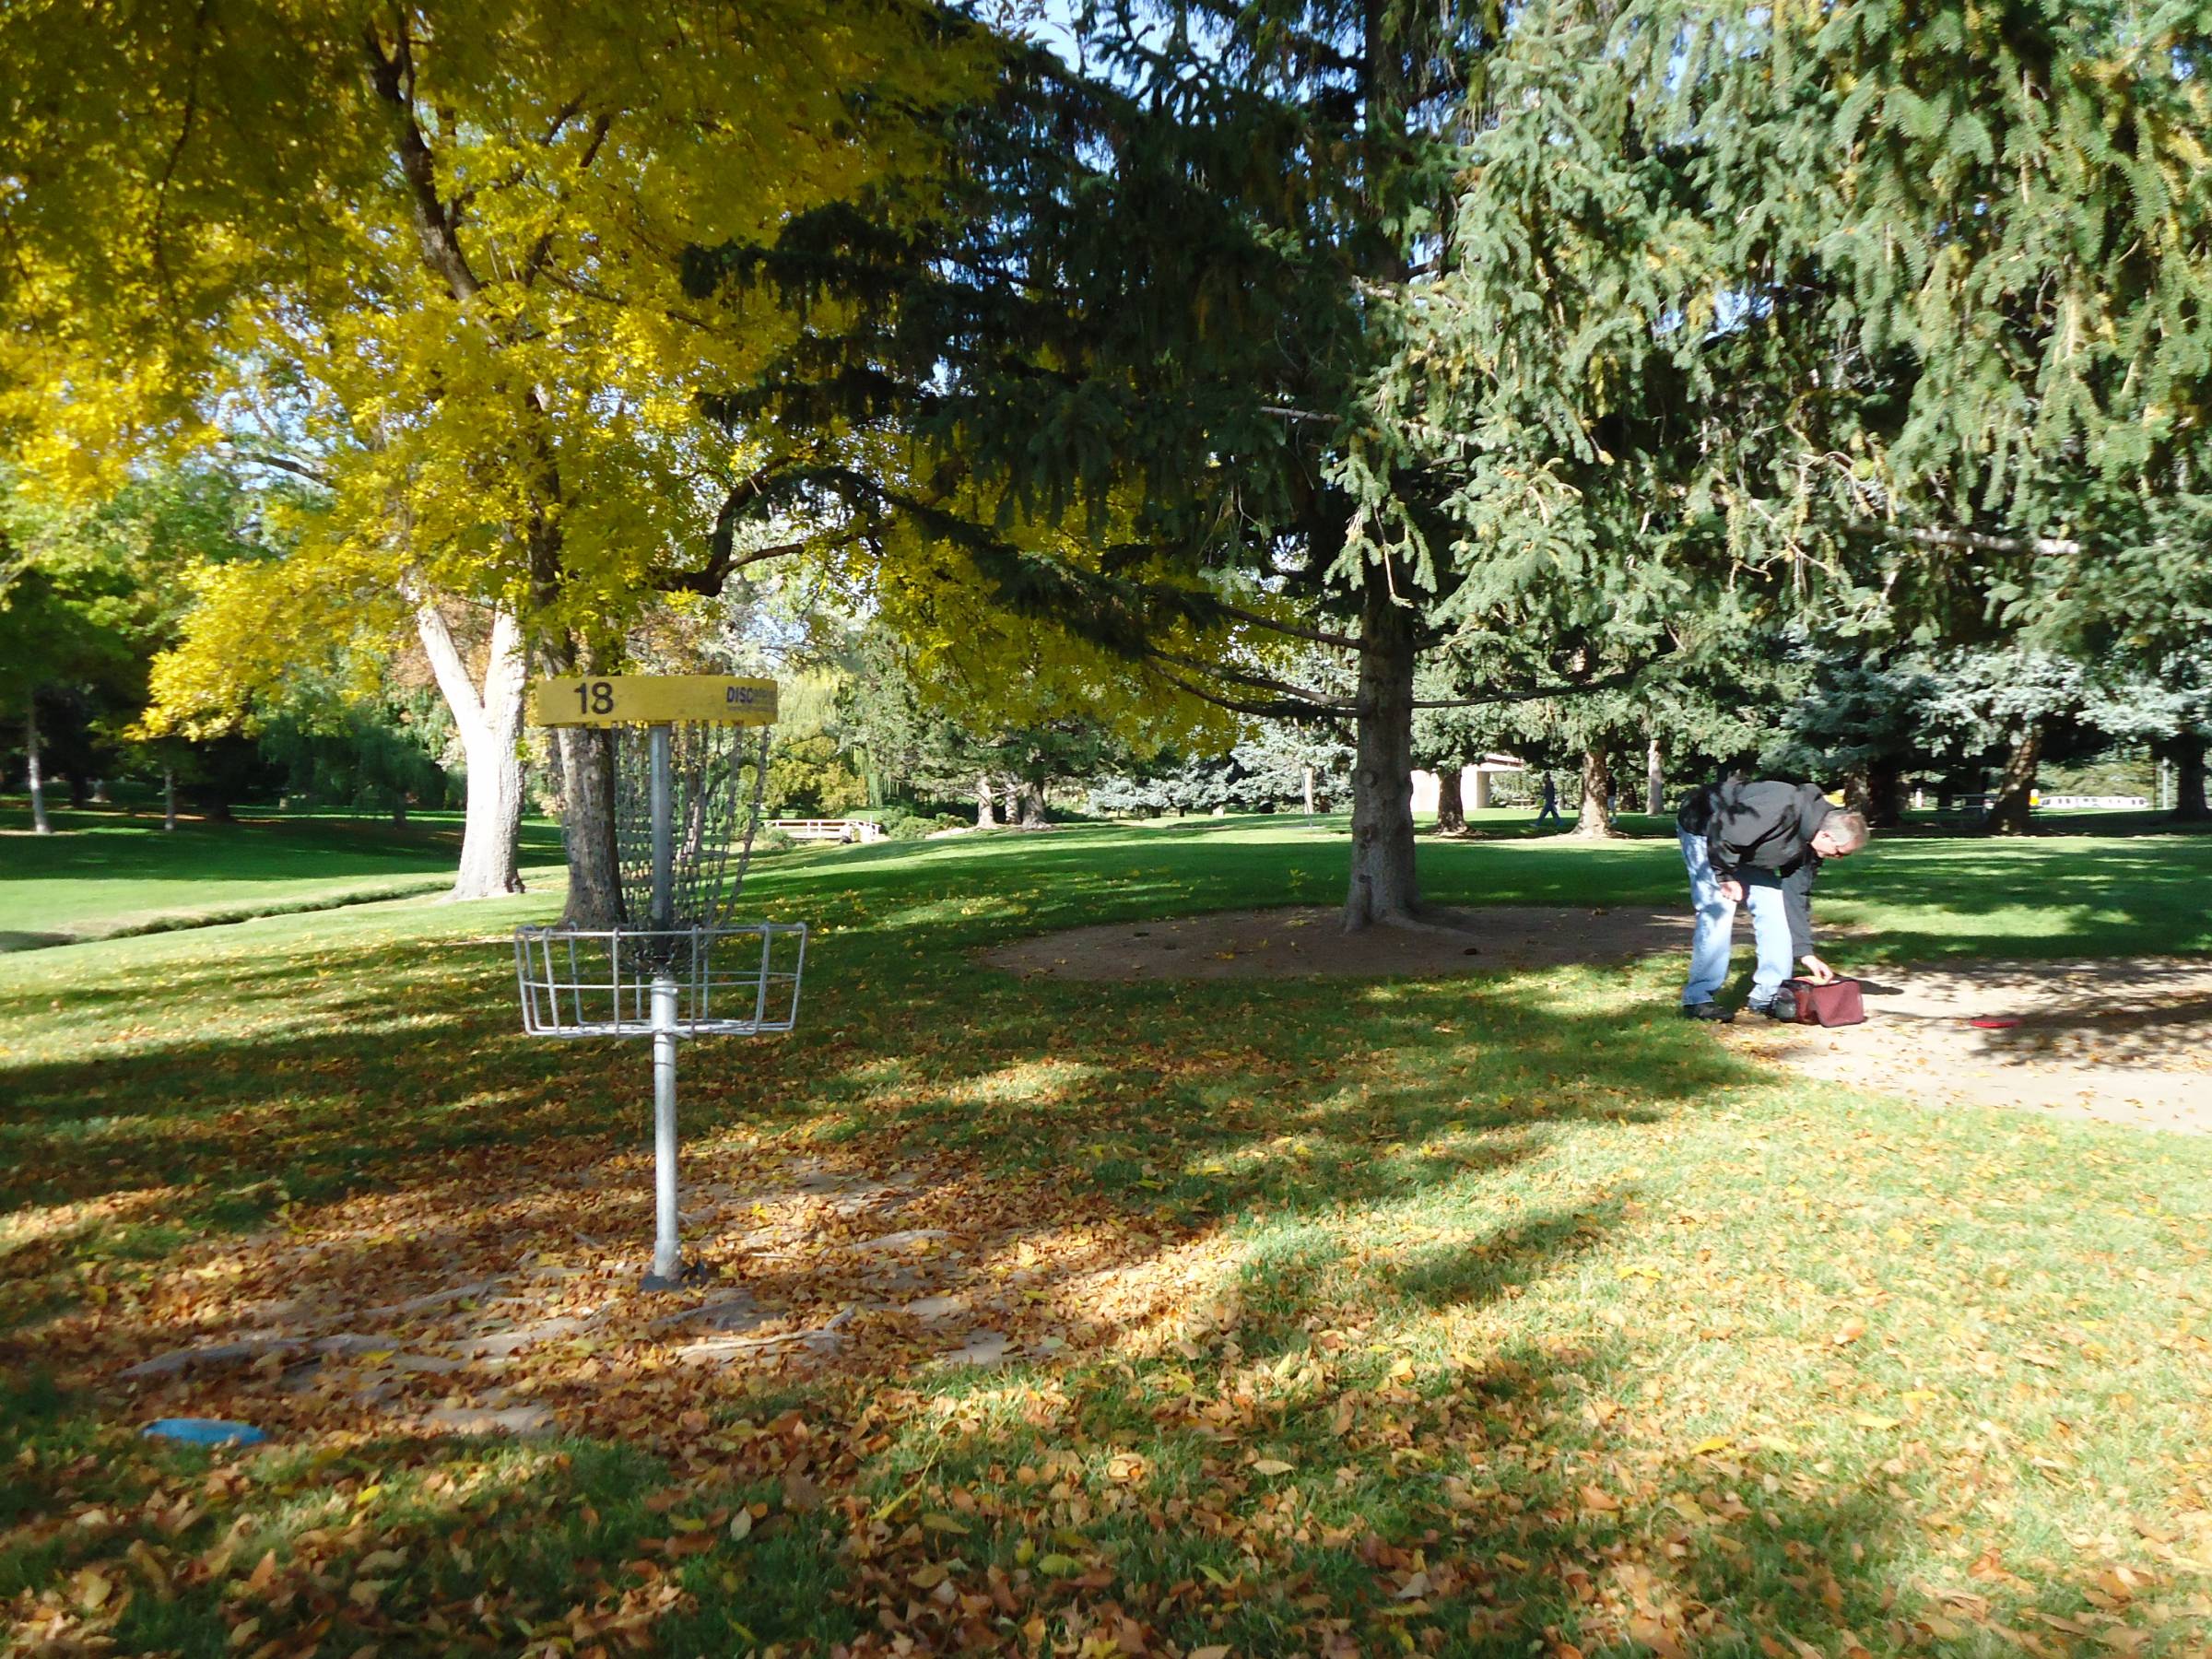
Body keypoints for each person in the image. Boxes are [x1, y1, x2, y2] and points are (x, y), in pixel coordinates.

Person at [1677, 779, 1872, 1020]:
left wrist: (1805, 952)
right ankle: (1698, 999)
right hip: (1706, 829)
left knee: (1776, 906)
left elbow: (1796, 897)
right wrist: (1724, 875)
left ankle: (1766, 996)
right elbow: (1723, 829)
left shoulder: (1811, 845)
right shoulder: (1779, 808)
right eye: (1840, 852)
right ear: (1826, 835)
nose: (1839, 858)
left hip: (1745, 845)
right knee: (1719, 908)